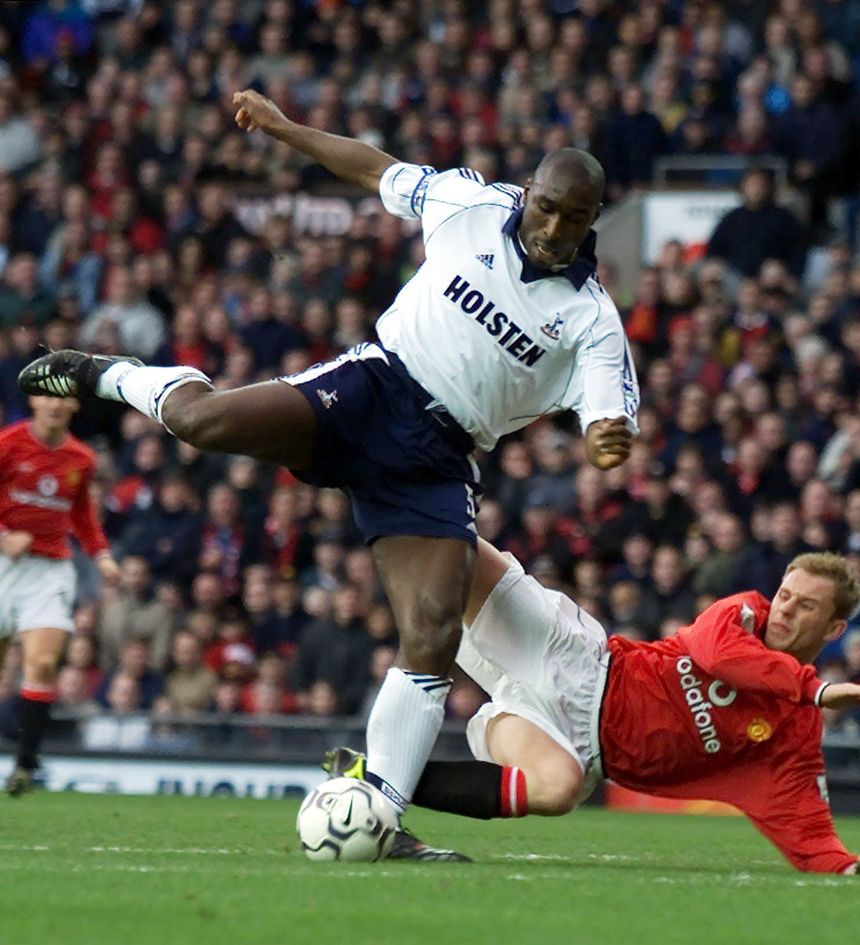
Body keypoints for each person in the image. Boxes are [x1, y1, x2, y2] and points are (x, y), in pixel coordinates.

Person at [18, 89, 638, 834]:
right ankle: (106, 372)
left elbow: (609, 415)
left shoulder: (592, 319)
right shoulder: (470, 202)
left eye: (573, 217)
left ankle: (381, 813)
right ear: (531, 191)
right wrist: (284, 130)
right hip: (372, 386)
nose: (553, 226)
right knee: (202, 419)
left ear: (592, 220)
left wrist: (607, 439)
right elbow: (373, 167)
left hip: (437, 455)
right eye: (546, 206)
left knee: (433, 629)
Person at [328, 540, 860, 876]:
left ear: (836, 627)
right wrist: (812, 686)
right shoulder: (740, 616)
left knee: (560, 791)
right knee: (452, 547)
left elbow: (805, 824)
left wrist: (845, 866)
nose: (785, 610)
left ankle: (369, 781)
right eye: (785, 594)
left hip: (581, 747)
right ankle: (387, 481)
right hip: (577, 665)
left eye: (805, 608)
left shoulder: (789, 734)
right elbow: (718, 657)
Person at [0, 395, 120, 795]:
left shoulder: (81, 458)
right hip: (2, 563)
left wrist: (102, 556)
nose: (54, 404)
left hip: (49, 570)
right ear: (33, 399)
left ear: (74, 405)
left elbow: (82, 514)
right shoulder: (9, 444)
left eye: (63, 397)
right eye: (47, 396)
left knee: (45, 661)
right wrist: (4, 537)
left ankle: (25, 762)